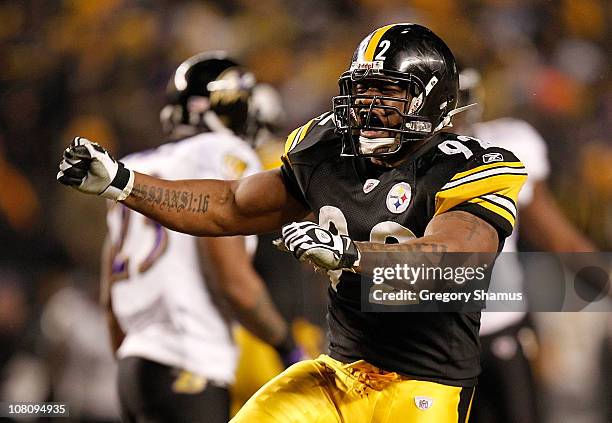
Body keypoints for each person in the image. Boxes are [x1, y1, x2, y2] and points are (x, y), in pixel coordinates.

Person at [58, 23, 527, 422]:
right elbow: (230, 207)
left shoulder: (472, 166)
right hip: (338, 372)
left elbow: (452, 259)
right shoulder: (326, 150)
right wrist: (123, 182)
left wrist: (349, 254)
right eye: (362, 90)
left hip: (424, 385)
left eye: (388, 91)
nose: (369, 105)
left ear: (432, 100)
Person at [98, 52, 302, 423]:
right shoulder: (220, 152)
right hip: (189, 363)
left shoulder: (136, 167)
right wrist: (286, 346)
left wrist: (132, 361)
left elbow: (108, 299)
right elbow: (233, 281)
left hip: (134, 368)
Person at [457, 68, 599, 423]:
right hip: (430, 339)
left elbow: (559, 239)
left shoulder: (504, 146)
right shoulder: (391, 162)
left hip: (499, 326)